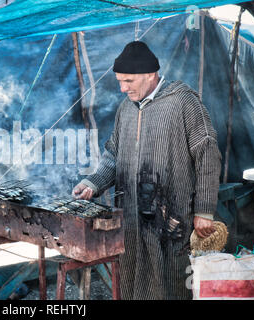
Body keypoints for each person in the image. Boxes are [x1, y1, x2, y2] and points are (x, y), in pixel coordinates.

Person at [72, 41, 222, 300]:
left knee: (171, 282)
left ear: (150, 75)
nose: (122, 88)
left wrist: (204, 211)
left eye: (128, 81)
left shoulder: (183, 102)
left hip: (171, 218)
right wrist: (94, 183)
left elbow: (207, 156)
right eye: (120, 81)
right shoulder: (126, 109)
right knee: (132, 282)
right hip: (131, 216)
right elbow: (113, 155)